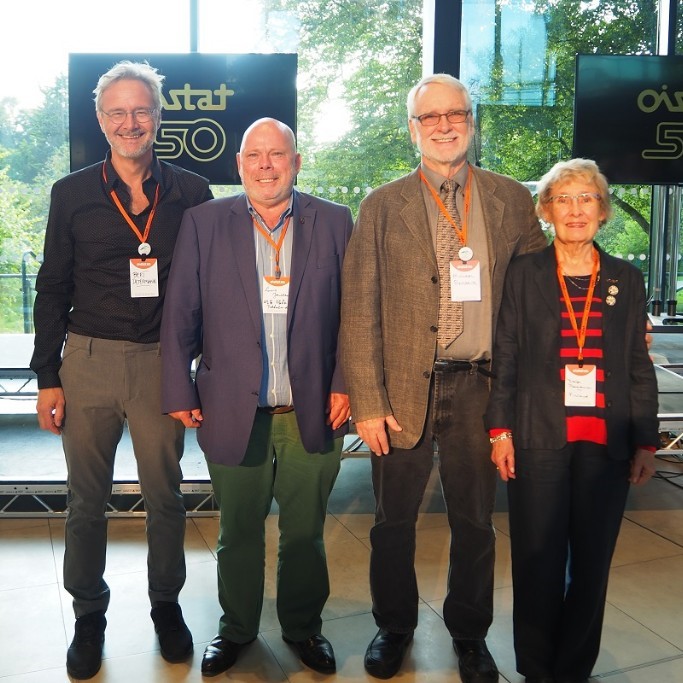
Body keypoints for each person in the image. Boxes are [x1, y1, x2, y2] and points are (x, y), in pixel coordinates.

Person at [340, 72, 548, 683]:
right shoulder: (381, 206)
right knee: (392, 521)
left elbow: (542, 295)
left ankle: (469, 634)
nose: (443, 125)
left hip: (484, 387)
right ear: (413, 130)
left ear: (471, 120)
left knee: (476, 524)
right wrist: (368, 402)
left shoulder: (512, 199)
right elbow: (358, 310)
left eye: (453, 113)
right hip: (404, 389)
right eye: (429, 117)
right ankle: (394, 625)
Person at [30, 61, 213, 680]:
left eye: (141, 110)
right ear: (101, 120)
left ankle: (167, 606)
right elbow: (51, 286)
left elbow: (208, 287)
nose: (130, 122)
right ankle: (89, 614)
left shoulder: (191, 191)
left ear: (158, 117)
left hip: (164, 360)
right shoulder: (72, 192)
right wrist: (47, 375)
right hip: (88, 360)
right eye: (117, 112)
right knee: (86, 501)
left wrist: (202, 369)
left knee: (166, 496)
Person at [160, 117, 353, 677]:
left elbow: (356, 315)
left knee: (304, 534)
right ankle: (237, 629)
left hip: (313, 406)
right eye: (255, 155)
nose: (266, 165)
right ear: (239, 164)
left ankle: (302, 628)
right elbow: (181, 315)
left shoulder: (336, 221)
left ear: (296, 161)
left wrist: (345, 382)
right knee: (237, 531)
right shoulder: (204, 222)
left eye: (278, 154)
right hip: (230, 407)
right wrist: (179, 387)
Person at [484, 158, 658, 683]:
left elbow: (635, 363)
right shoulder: (524, 273)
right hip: (538, 439)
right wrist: (500, 430)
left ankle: (573, 670)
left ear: (603, 211)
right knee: (536, 563)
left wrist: (647, 441)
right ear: (546, 210)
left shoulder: (626, 278)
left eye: (586, 199)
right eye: (563, 199)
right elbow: (507, 355)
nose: (575, 209)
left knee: (591, 565)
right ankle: (537, 671)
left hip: (607, 443)